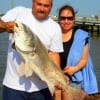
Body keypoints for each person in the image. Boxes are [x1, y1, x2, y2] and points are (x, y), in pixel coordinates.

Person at [0, 0, 64, 100]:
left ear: (51, 7)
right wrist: (5, 26)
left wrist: (59, 77)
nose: (42, 9)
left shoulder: (55, 27)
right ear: (33, 2)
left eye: (46, 6)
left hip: (42, 88)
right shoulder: (18, 12)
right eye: (39, 4)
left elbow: (53, 54)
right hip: (13, 87)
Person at [58, 4, 98, 94]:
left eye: (69, 18)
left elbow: (84, 59)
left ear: (74, 19)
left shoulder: (81, 36)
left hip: (74, 79)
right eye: (63, 18)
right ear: (59, 19)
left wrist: (74, 69)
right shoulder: (54, 34)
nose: (66, 21)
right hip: (56, 78)